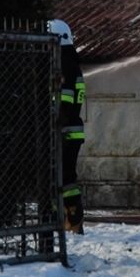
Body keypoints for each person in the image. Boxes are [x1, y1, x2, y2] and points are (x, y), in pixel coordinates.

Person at [47, 19, 86, 234]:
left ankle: (69, 219)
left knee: (60, 176)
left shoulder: (64, 63)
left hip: (63, 130)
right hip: (71, 129)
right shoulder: (72, 62)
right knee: (66, 176)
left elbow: (66, 97)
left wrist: (56, 119)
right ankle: (70, 220)